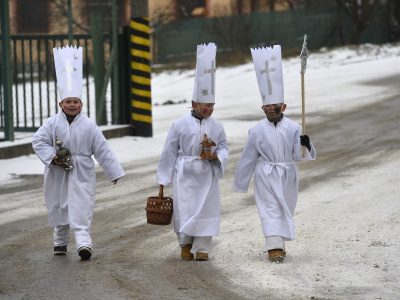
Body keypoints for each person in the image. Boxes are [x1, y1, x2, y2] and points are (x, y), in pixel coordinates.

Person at [32, 45, 125, 260]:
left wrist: (114, 171)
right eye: (68, 102)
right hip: (58, 172)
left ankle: (84, 243)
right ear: (61, 103)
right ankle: (60, 242)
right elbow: (39, 140)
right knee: (60, 205)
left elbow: (102, 148)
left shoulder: (89, 125)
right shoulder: (52, 123)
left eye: (75, 102)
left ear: (81, 104)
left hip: (81, 172)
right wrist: (52, 157)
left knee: (81, 206)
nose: (72, 105)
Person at [232, 45, 316, 263]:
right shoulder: (257, 130)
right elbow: (248, 157)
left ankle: (279, 243)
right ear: (262, 108)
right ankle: (274, 248)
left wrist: (305, 144)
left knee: (283, 208)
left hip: (287, 174)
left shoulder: (295, 128)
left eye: (275, 105)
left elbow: (299, 154)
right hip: (266, 174)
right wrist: (241, 182)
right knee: (269, 209)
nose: (271, 108)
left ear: (283, 105)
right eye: (267, 105)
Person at [156, 43, 229, 261]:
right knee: (186, 209)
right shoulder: (179, 124)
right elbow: (169, 151)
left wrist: (217, 157)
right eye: (206, 105)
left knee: (206, 209)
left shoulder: (216, 125)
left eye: (213, 105)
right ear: (194, 103)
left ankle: (203, 247)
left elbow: (223, 146)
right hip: (185, 174)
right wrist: (163, 179)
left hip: (207, 175)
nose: (210, 110)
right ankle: (186, 244)